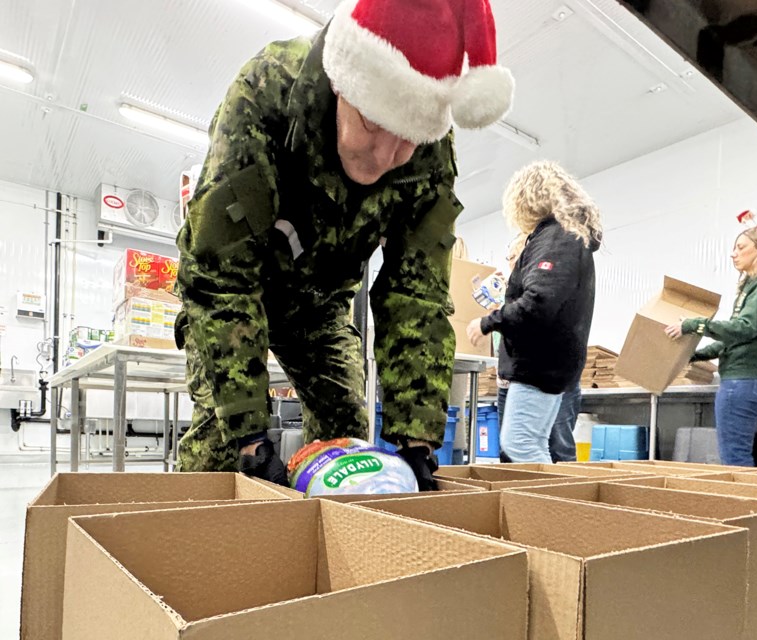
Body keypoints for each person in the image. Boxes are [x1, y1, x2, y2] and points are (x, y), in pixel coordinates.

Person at [174, 0, 514, 491]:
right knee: (221, 448)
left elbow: (414, 295)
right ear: (342, 83)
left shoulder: (430, 153)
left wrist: (417, 442)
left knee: (348, 445)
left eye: (406, 143)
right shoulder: (265, 96)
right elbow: (220, 276)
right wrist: (251, 439)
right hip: (237, 293)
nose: (383, 157)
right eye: (373, 125)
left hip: (319, 308)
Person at [468, 161, 601, 463]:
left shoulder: (557, 237)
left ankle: (552, 510)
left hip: (540, 365)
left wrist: (488, 322)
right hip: (547, 364)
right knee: (530, 443)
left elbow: (540, 300)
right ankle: (545, 507)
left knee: (521, 444)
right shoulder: (565, 236)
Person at [665, 215, 757, 466]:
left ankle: (746, 504)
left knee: (735, 458)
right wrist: (693, 355)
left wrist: (694, 325)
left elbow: (745, 328)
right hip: (752, 380)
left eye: (741, 247)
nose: (733, 254)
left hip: (744, 380)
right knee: (738, 453)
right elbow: (736, 339)